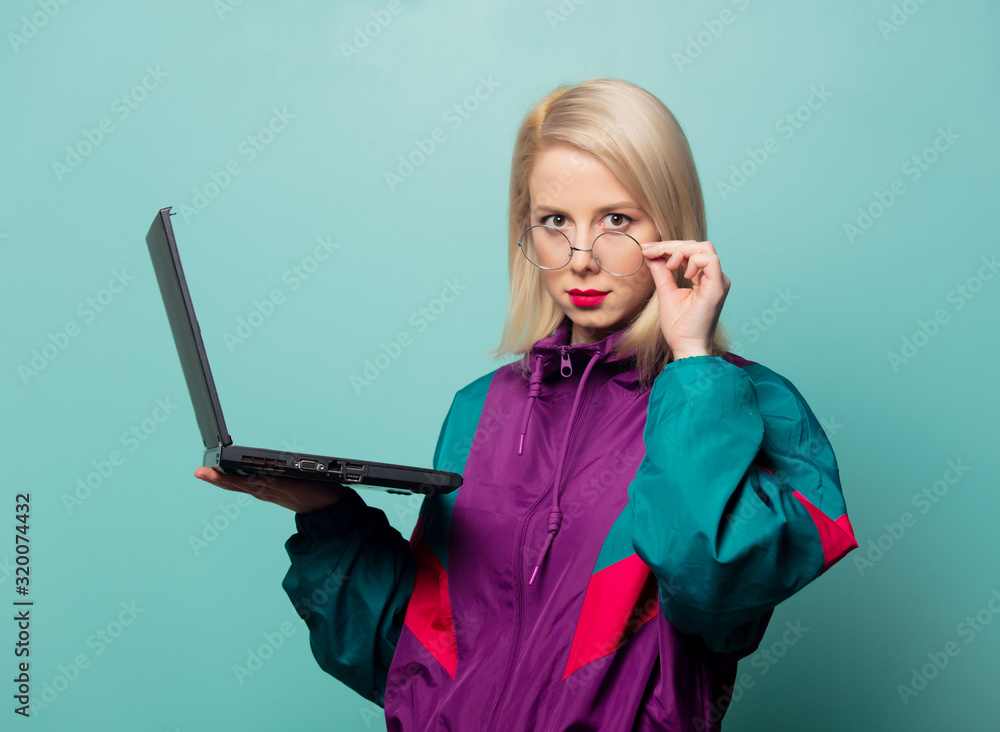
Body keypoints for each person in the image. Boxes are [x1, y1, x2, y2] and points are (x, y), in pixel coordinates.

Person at [195, 77, 858, 731]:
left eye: (617, 220)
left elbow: (713, 588)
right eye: (554, 221)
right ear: (526, 232)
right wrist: (328, 517)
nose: (581, 258)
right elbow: (415, 667)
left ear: (672, 224)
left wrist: (692, 364)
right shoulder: (480, 410)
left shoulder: (753, 405)